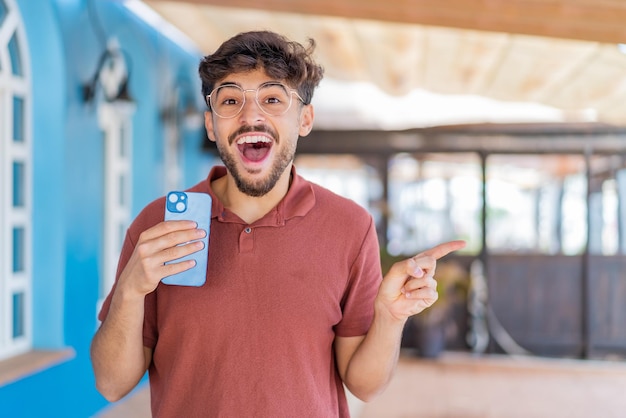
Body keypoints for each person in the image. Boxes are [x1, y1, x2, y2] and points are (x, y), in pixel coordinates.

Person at [91, 30, 465, 417]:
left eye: (272, 99)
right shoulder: (157, 225)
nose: (251, 115)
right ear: (209, 124)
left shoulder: (350, 227)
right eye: (231, 100)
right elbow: (111, 383)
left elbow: (365, 386)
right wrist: (130, 291)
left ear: (305, 118)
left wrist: (389, 318)